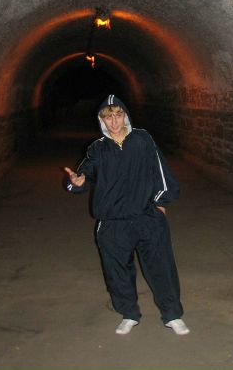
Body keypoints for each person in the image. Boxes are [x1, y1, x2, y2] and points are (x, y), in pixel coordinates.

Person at [64, 94, 189, 336]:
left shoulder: (142, 139)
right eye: (108, 117)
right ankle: (129, 313)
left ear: (125, 116)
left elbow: (161, 171)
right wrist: (76, 182)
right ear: (101, 120)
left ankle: (172, 314)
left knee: (161, 267)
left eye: (118, 115)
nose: (114, 122)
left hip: (147, 217)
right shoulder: (98, 148)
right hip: (112, 222)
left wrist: (161, 202)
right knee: (117, 270)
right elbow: (83, 176)